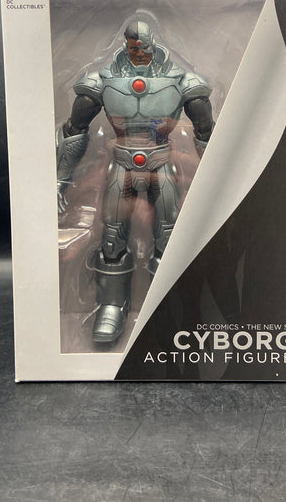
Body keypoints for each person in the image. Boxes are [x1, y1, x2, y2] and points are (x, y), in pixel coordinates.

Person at [57, 19, 213, 342]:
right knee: (112, 238)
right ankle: (112, 306)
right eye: (133, 47)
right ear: (126, 46)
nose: (139, 52)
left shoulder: (181, 81)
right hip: (121, 166)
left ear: (153, 44)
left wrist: (220, 180)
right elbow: (74, 129)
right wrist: (61, 178)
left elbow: (207, 133)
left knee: (168, 239)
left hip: (162, 165)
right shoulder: (102, 80)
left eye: (144, 47)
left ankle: (166, 308)